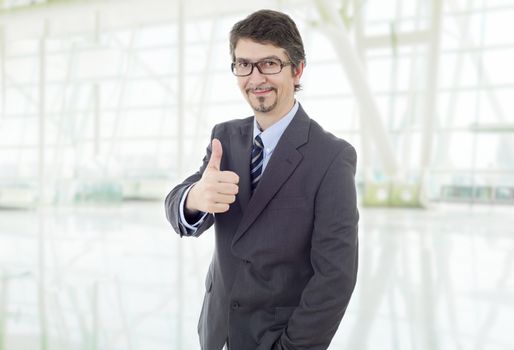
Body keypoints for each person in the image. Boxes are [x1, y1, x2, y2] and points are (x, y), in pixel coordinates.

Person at [165, 9, 359, 350]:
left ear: (297, 69)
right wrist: (195, 197)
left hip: (277, 339)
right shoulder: (224, 138)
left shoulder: (331, 157)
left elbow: (335, 278)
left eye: (269, 64)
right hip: (217, 334)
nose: (255, 78)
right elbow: (178, 206)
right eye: (243, 64)